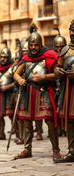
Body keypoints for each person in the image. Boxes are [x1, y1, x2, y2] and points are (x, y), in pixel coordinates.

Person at [13, 24, 61, 161]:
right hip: (28, 93)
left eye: (36, 45)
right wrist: (19, 79)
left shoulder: (49, 56)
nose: (33, 48)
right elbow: (16, 73)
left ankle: (56, 150)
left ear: (41, 45)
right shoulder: (26, 59)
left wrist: (44, 77)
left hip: (43, 92)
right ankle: (27, 149)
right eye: (31, 45)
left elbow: (57, 74)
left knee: (50, 121)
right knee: (27, 123)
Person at [54, 20, 74, 163]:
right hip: (69, 89)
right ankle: (72, 151)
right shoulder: (65, 50)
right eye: (71, 30)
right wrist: (58, 71)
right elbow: (57, 66)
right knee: (71, 121)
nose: (72, 33)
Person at [53, 28, 67, 137]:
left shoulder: (67, 55)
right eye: (57, 47)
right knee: (56, 109)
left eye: (61, 47)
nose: (59, 49)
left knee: (65, 106)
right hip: (54, 86)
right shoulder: (51, 57)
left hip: (65, 84)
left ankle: (65, 128)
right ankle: (59, 129)